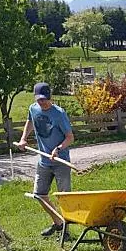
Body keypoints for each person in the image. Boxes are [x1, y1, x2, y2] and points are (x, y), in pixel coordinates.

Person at [16, 82, 74, 238]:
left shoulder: (59, 114)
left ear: (50, 97)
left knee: (64, 197)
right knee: (39, 195)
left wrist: (58, 149)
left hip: (61, 162)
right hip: (44, 161)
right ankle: (58, 223)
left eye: (44, 99)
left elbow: (70, 137)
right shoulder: (33, 108)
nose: (42, 102)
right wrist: (23, 138)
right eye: (39, 99)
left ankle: (66, 232)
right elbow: (30, 121)